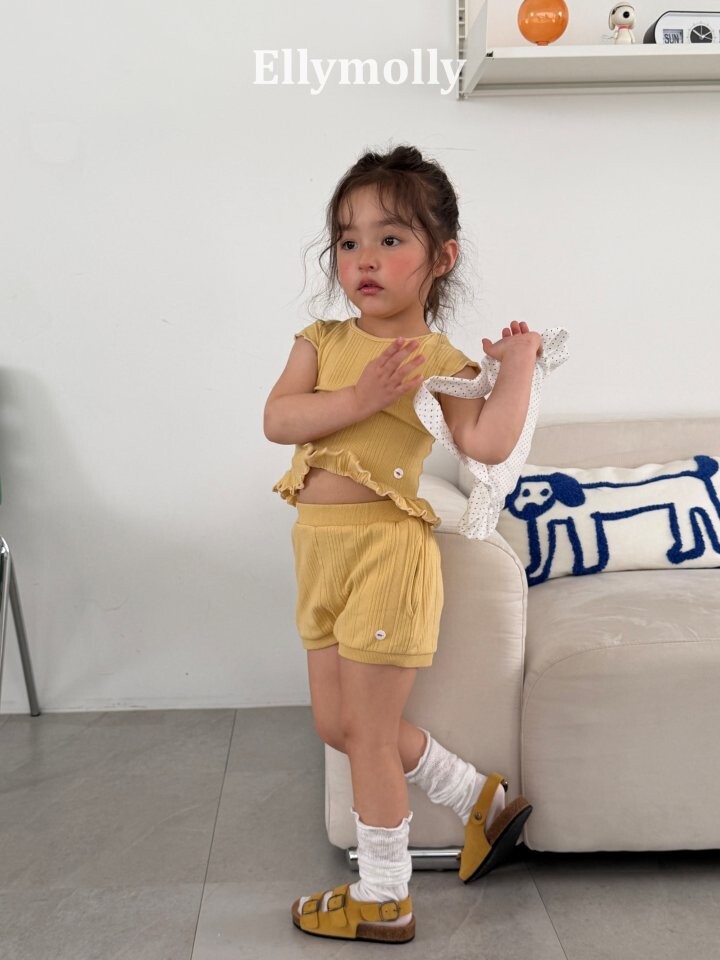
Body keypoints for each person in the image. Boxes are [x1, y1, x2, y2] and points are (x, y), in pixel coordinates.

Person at [264, 144, 539, 944]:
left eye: (390, 239)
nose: (365, 259)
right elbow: (279, 419)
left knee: (369, 736)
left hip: (387, 556)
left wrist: (518, 365)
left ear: (441, 258)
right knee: (337, 724)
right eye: (348, 240)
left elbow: (486, 443)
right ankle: (479, 799)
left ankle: (383, 896)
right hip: (319, 554)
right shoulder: (320, 340)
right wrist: (359, 395)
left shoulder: (436, 361)